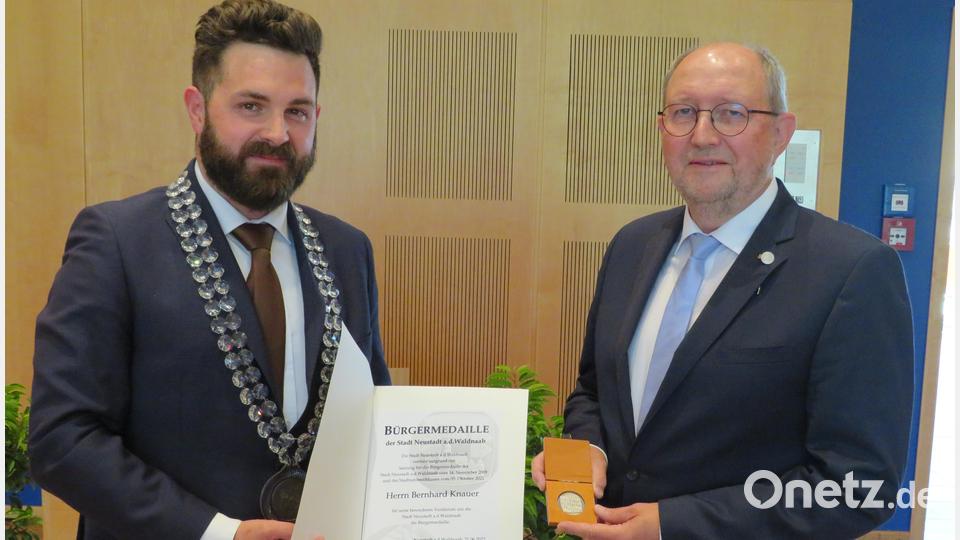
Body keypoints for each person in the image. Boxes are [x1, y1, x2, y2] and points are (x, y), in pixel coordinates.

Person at [28, 1, 390, 539]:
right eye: (251, 105)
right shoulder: (117, 242)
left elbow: (372, 419)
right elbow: (64, 439)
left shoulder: (346, 249)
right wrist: (219, 533)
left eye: (298, 111)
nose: (277, 132)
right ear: (197, 109)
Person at [532, 42, 914, 539]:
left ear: (781, 133)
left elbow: (860, 487)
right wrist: (590, 449)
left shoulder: (852, 270)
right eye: (683, 113)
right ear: (662, 129)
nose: (702, 136)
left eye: (732, 114)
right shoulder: (632, 245)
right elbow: (594, 391)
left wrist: (674, 524)